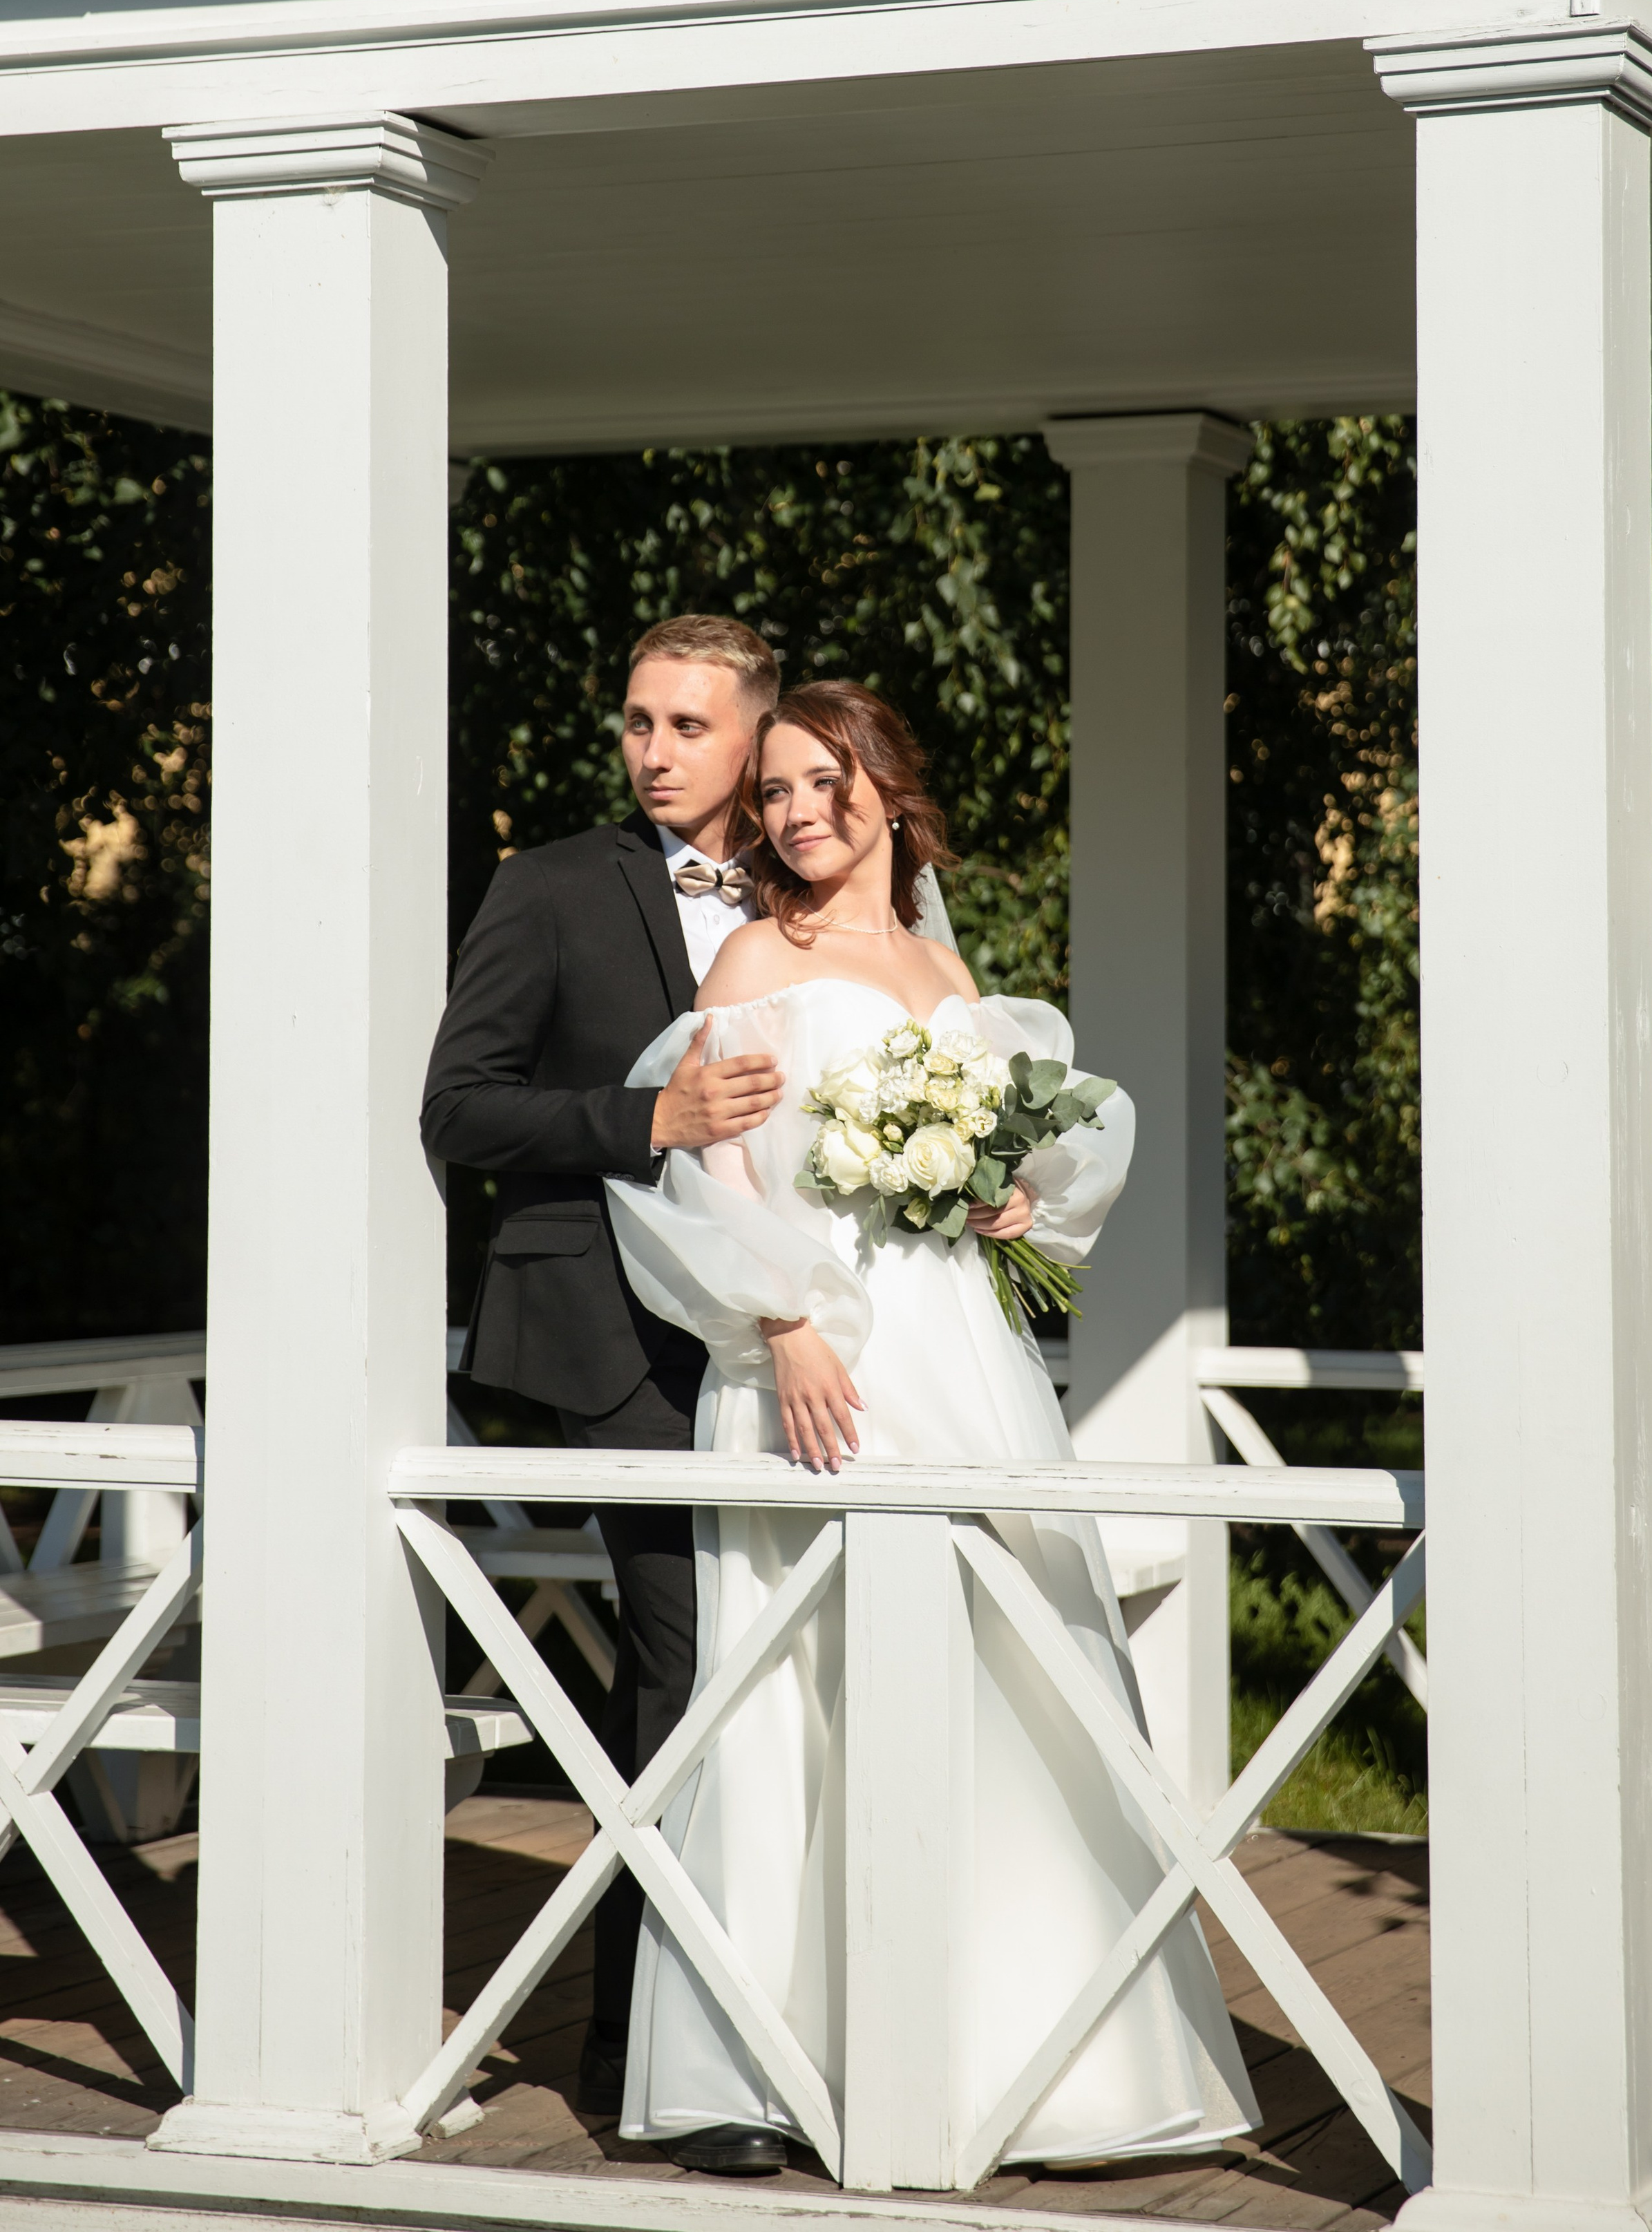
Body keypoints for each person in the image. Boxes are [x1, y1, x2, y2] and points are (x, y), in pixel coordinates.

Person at [605, 680, 1260, 2177]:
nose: (792, 811)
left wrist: (1009, 1193)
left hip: (956, 1351)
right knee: (790, 1679)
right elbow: (707, 1174)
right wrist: (779, 1329)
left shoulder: (942, 962)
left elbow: (1018, 1149)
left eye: (820, 780)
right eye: (770, 790)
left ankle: (1031, 2060)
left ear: (884, 789)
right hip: (809, 1363)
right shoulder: (753, 959)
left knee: (1008, 1654)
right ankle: (763, 2072)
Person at [419, 614, 790, 2161]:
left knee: (783, 1676)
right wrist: (647, 1118)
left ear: (756, 738)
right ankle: (654, 2056)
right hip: (610, 1339)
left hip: (787, 1338)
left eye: (687, 727)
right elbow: (462, 1105)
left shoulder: (823, 878)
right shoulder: (553, 882)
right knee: (686, 1666)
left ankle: (791, 2029)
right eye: (636, 720)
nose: (651, 752)